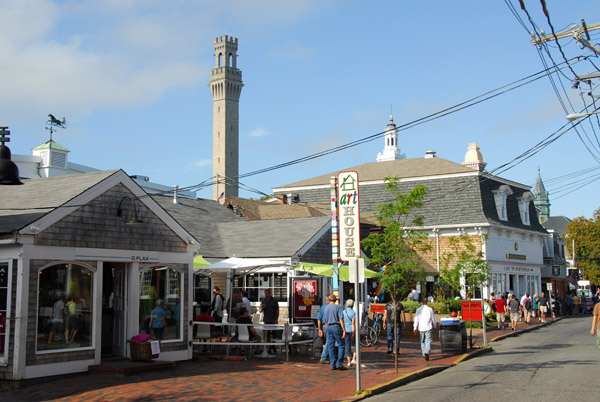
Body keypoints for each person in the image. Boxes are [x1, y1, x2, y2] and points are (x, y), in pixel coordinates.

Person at [321, 294, 346, 370]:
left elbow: (325, 321)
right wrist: (344, 330)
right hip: (336, 326)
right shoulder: (338, 307)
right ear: (335, 300)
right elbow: (341, 319)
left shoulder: (326, 308)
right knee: (341, 345)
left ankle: (332, 364)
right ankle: (340, 364)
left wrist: (328, 327)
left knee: (331, 346)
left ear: (329, 300)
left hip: (329, 327)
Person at [259, 289, 279, 354]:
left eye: (267, 293)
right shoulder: (263, 300)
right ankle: (268, 347)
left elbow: (277, 310)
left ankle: (273, 346)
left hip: (273, 319)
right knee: (267, 334)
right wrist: (263, 307)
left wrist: (276, 319)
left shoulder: (274, 300)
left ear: (270, 293)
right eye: (265, 293)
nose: (266, 295)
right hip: (266, 319)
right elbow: (260, 310)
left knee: (274, 334)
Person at [342, 299, 356, 367]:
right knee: (356, 344)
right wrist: (353, 332)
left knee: (347, 345)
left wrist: (343, 330)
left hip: (345, 330)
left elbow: (341, 320)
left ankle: (348, 361)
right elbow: (353, 323)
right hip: (351, 330)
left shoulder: (343, 312)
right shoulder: (353, 313)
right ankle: (354, 358)